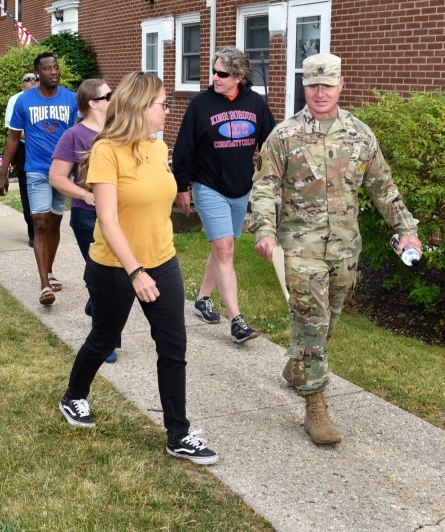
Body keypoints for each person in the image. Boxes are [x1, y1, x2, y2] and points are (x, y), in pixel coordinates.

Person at [248, 53, 422, 446]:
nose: (321, 92)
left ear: (341, 85)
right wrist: (264, 229)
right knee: (312, 321)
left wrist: (406, 229)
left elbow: (383, 188)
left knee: (328, 323)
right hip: (301, 247)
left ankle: (298, 366)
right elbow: (264, 187)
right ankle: (316, 406)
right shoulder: (285, 135)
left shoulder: (361, 135)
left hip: (345, 249)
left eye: (328, 84)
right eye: (313, 85)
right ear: (304, 87)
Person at [58, 71, 219, 466]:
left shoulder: (154, 146)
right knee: (104, 338)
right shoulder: (107, 150)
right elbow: (108, 220)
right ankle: (73, 396)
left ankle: (178, 434)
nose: (168, 109)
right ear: (140, 107)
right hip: (116, 265)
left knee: (173, 346)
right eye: (163, 103)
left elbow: (157, 201)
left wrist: (151, 264)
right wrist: (135, 272)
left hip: (162, 259)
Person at [172, 46, 276, 344]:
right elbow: (184, 148)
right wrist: (182, 186)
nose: (215, 78)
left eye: (222, 74)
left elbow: (271, 142)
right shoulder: (200, 105)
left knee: (222, 248)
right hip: (209, 186)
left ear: (239, 77)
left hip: (240, 187)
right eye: (213, 72)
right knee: (225, 248)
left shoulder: (255, 103)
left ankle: (203, 298)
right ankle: (237, 320)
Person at [0, 53, 78, 305]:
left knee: (54, 224)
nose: (54, 71)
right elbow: (13, 138)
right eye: (48, 68)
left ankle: (49, 271)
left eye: (56, 67)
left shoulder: (71, 99)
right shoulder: (24, 101)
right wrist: (3, 173)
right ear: (37, 73)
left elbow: (81, 133)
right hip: (35, 169)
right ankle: (44, 285)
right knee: (40, 224)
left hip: (63, 171)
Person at [49, 79, 120, 363]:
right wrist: (87, 196)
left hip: (118, 215)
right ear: (92, 102)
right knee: (105, 276)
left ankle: (94, 305)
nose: (113, 98)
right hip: (87, 215)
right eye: (108, 95)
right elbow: (56, 177)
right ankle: (108, 341)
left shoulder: (118, 132)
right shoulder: (74, 135)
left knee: (115, 275)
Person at [4, 73, 39, 247]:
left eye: (35, 79)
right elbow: (14, 132)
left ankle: (47, 230)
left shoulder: (46, 97)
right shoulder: (15, 100)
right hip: (25, 149)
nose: (32, 82)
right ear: (22, 85)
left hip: (46, 150)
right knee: (27, 190)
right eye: (27, 80)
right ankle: (33, 232)